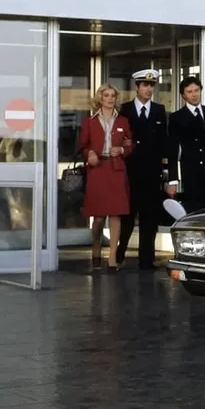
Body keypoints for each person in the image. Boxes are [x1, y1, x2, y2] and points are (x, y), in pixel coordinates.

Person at [116, 69, 169, 270]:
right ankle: (119, 254)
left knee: (150, 217)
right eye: (144, 85)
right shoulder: (125, 110)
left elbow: (163, 142)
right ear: (137, 87)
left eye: (151, 85)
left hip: (151, 173)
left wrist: (165, 170)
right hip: (129, 172)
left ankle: (147, 259)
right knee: (127, 216)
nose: (148, 89)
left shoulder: (158, 110)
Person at [79, 83, 133, 272]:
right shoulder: (90, 122)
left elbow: (129, 144)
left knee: (116, 214)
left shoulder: (123, 121)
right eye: (106, 95)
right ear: (100, 99)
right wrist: (89, 154)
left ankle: (112, 258)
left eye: (113, 96)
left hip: (116, 169)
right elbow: (82, 146)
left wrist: (122, 150)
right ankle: (96, 247)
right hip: (98, 169)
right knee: (100, 217)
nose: (110, 99)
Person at [167, 76, 205, 213]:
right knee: (195, 210)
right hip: (191, 172)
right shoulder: (177, 117)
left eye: (196, 90)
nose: (194, 94)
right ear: (183, 95)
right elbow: (172, 150)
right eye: (189, 92)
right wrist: (173, 180)